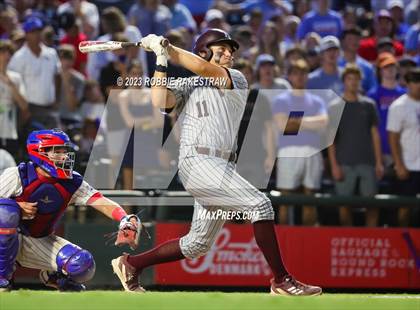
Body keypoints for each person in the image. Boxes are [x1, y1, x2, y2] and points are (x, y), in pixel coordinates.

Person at [111, 28, 322, 296]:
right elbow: (159, 101)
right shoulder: (190, 83)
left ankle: (131, 264)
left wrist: (168, 49)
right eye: (221, 49)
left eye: (231, 50)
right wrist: (161, 59)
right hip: (197, 161)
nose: (229, 54)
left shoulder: (236, 78)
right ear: (204, 51)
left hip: (220, 165)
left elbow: (202, 68)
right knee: (260, 205)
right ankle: (281, 280)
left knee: (197, 244)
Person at [0, 129, 138, 291]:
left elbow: (100, 201)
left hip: (38, 239)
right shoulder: (18, 175)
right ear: (39, 152)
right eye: (57, 151)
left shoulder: (72, 181)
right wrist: (16, 206)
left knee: (82, 264)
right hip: (9, 235)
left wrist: (125, 219)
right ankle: (2, 280)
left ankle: (53, 275)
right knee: (6, 212)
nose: (64, 156)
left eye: (65, 151)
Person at [273, 59, 328, 226]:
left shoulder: (317, 101)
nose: (299, 77)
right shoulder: (281, 100)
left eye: (303, 73)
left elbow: (323, 123)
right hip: (288, 152)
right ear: (289, 76)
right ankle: (282, 241)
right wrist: (310, 123)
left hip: (312, 151)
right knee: (285, 197)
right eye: (295, 73)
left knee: (309, 198)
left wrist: (296, 121)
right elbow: (283, 125)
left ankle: (309, 240)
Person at [328, 64, 384, 227]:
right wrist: (334, 166)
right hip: (344, 163)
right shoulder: (335, 106)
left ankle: (370, 239)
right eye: (349, 78)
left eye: (356, 79)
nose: (353, 82)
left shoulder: (369, 104)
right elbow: (331, 139)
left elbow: (375, 135)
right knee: (344, 205)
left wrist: (379, 162)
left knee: (372, 205)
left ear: (360, 81)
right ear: (344, 81)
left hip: (367, 162)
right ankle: (348, 240)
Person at [8, 16, 61, 129]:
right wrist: (23, 109)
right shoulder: (19, 57)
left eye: (38, 31)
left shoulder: (51, 53)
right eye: (32, 32)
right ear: (26, 34)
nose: (36, 35)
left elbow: (57, 76)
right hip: (30, 109)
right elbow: (14, 84)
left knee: (55, 144)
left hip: (50, 108)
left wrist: (56, 99)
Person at [386, 67, 420, 226]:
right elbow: (393, 137)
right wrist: (398, 164)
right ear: (407, 83)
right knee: (404, 208)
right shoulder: (399, 106)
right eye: (414, 81)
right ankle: (402, 244)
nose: (418, 85)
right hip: (408, 165)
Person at [367, 52, 405, 163]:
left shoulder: (405, 94)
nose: (390, 69)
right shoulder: (373, 95)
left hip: (404, 149)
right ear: (380, 71)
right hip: (381, 151)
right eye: (385, 67)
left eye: (392, 66)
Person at [0, 39, 29, 156]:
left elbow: (24, 106)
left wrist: (10, 84)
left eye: (9, 54)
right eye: (2, 52)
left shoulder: (16, 78)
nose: (6, 57)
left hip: (9, 132)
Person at [338, 27, 377, 94]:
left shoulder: (368, 67)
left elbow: (373, 90)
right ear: (342, 42)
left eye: (356, 39)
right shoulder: (335, 64)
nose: (354, 42)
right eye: (350, 39)